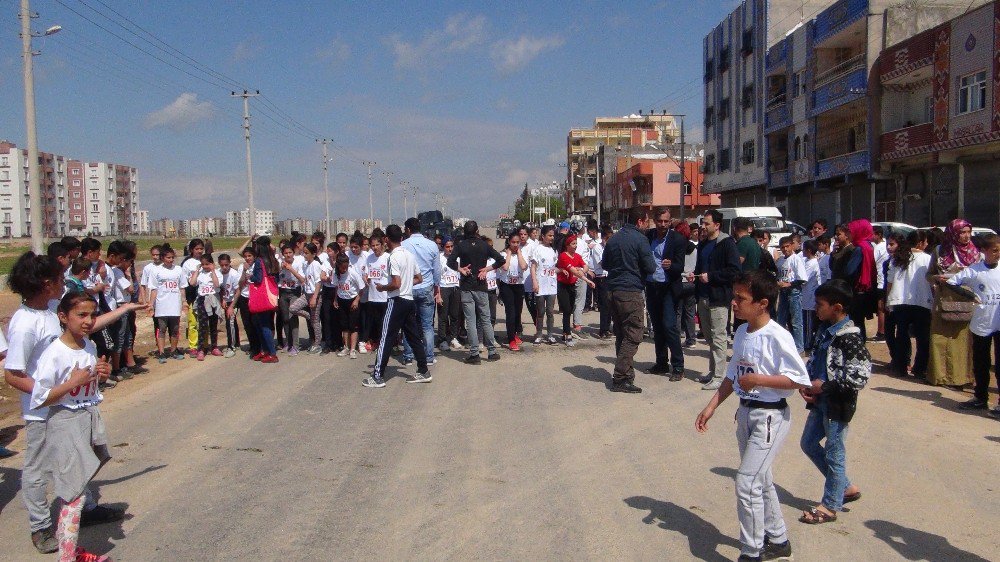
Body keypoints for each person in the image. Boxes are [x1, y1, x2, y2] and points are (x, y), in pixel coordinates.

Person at [4, 252, 131, 554]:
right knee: (37, 469)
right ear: (47, 284)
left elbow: (86, 325)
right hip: (43, 411)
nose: (64, 283)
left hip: (70, 407)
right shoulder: (24, 324)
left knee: (82, 459)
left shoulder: (51, 309)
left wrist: (125, 308)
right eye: (60, 279)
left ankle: (82, 509)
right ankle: (40, 527)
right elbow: (12, 375)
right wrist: (58, 391)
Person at [695, 270, 810, 562]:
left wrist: (760, 380)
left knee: (747, 483)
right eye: (734, 296)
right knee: (761, 480)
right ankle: (779, 539)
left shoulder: (778, 336)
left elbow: (799, 379)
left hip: (770, 419)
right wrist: (711, 406)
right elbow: (733, 374)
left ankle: (752, 550)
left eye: (740, 298)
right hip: (746, 416)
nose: (734, 303)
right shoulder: (744, 331)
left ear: (762, 303)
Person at [30, 292, 116, 562]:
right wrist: (72, 383)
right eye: (81, 315)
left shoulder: (88, 345)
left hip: (88, 418)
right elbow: (40, 399)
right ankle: (67, 557)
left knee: (80, 485)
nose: (89, 321)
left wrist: (101, 374)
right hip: (65, 424)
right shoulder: (54, 353)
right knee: (73, 495)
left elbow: (89, 387)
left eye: (92, 314)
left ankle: (71, 550)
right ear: (63, 317)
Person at [798, 280, 871, 525]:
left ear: (837, 307)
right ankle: (846, 487)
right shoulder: (824, 330)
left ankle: (830, 505)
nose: (815, 308)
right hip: (820, 403)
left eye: (820, 305)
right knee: (808, 443)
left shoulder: (850, 338)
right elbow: (816, 360)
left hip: (837, 406)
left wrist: (825, 386)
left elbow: (859, 376)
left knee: (835, 452)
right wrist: (807, 384)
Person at [364, 224, 431, 387]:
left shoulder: (393, 257)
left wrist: (382, 287)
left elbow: (396, 283)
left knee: (386, 337)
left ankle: (377, 375)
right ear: (401, 238)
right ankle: (423, 370)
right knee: (414, 337)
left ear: (386, 239)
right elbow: (419, 278)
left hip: (396, 300)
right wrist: (406, 284)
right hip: (408, 300)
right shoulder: (409, 255)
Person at [942, 232, 1000, 416]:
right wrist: (970, 296)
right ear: (984, 251)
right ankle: (980, 398)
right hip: (982, 323)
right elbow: (951, 281)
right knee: (981, 362)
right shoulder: (974, 270)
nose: (998, 253)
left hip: (999, 322)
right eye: (995, 250)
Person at [603, 207, 658, 393]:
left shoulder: (614, 238)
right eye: (647, 221)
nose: (647, 225)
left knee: (622, 334)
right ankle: (620, 376)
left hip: (612, 290)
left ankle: (626, 375)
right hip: (630, 291)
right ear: (640, 222)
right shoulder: (640, 239)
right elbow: (650, 267)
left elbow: (605, 264)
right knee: (634, 334)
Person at [927, 219, 982, 387]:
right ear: (952, 233)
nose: (966, 236)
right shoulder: (939, 251)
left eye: (968, 232)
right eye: (961, 232)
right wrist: (938, 278)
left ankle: (962, 378)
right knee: (940, 339)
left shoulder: (977, 253)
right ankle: (940, 376)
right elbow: (929, 275)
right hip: (943, 299)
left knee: (963, 341)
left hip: (966, 300)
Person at [694, 209, 742, 390]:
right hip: (704, 296)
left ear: (717, 225)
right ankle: (713, 371)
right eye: (703, 223)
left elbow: (735, 271)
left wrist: (712, 277)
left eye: (707, 223)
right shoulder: (704, 243)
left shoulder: (727, 244)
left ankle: (720, 376)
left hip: (719, 298)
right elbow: (701, 267)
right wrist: (696, 275)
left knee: (719, 337)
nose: (703, 227)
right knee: (709, 337)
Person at [449, 221, 505, 363]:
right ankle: (492, 352)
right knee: (486, 319)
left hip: (467, 286)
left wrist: (460, 269)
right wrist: (487, 269)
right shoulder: (484, 245)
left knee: (471, 321)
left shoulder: (461, 246)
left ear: (464, 232)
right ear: (477, 231)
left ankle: (474, 354)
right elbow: (501, 260)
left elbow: (450, 262)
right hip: (481, 286)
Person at [645, 208, 687, 379]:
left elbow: (680, 267)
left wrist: (672, 266)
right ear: (655, 220)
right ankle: (661, 362)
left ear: (670, 222)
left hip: (668, 287)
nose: (663, 224)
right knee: (657, 326)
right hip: (652, 285)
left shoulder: (677, 239)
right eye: (660, 221)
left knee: (669, 326)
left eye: (666, 221)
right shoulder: (648, 236)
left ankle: (678, 366)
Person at [885, 232, 932, 379]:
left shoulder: (897, 258)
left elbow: (890, 282)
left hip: (900, 301)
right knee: (922, 337)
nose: (927, 245)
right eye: (925, 242)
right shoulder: (928, 259)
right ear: (920, 243)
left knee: (902, 335)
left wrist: (888, 300)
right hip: (922, 302)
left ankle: (901, 366)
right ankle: (920, 368)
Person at [401, 218, 441, 366]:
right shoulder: (431, 245)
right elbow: (436, 270)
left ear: (408, 230)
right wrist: (437, 286)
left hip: (408, 288)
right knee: (427, 325)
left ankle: (408, 355)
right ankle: (429, 356)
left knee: (407, 324)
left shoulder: (403, 246)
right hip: (426, 287)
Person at [149, 245, 189, 364]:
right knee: (161, 329)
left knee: (175, 329)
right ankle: (161, 352)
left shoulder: (178, 270)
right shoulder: (156, 271)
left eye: (172, 258)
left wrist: (184, 301)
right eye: (168, 257)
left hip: (174, 304)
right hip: (161, 305)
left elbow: (182, 287)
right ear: (162, 258)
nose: (171, 260)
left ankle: (173, 350)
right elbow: (154, 289)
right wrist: (151, 304)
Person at [556, 235, 596, 347]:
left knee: (570, 309)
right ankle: (567, 334)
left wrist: (582, 270)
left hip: (572, 285)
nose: (575, 246)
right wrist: (587, 279)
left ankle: (565, 333)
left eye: (576, 244)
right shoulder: (563, 256)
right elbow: (574, 271)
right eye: (573, 244)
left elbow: (585, 266)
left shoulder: (577, 256)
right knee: (567, 310)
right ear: (567, 245)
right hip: (563, 285)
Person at [247, 237, 280, 364]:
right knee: (266, 323)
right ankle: (266, 350)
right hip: (271, 295)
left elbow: (258, 279)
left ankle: (271, 353)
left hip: (262, 297)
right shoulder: (273, 260)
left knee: (264, 325)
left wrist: (250, 276)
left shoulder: (259, 261)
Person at [188, 253, 222, 361]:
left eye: (207, 264)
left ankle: (214, 346)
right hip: (202, 300)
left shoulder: (217, 273)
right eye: (202, 264)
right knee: (202, 325)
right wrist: (197, 271)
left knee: (213, 324)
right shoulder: (200, 273)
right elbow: (192, 283)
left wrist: (212, 271)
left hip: (213, 299)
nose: (205, 266)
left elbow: (217, 285)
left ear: (212, 263)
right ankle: (201, 349)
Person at [776, 236, 807, 353]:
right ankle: (782, 345)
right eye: (782, 247)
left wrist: (789, 284)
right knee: (781, 320)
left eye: (787, 246)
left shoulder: (796, 259)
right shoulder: (780, 260)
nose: (785, 249)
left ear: (791, 246)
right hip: (783, 292)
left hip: (793, 292)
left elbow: (802, 279)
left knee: (796, 321)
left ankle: (799, 347)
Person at [360, 235, 390, 356]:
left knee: (386, 323)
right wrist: (365, 277)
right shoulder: (369, 258)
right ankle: (378, 343)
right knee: (377, 323)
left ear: (382, 245)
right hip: (373, 296)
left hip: (386, 296)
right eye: (372, 245)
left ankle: (390, 344)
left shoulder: (388, 257)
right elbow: (365, 273)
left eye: (377, 245)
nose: (375, 247)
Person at [530, 225, 560, 345]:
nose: (552, 238)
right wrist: (535, 282)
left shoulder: (554, 250)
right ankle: (539, 335)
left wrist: (563, 270)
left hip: (551, 286)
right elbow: (533, 267)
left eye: (553, 235)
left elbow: (555, 268)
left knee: (550, 312)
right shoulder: (537, 249)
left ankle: (550, 335)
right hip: (541, 286)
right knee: (540, 311)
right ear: (543, 236)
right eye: (549, 235)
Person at [332, 253, 365, 359]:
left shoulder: (352, 273)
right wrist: (335, 299)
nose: (344, 269)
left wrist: (356, 301)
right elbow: (336, 286)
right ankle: (346, 347)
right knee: (344, 326)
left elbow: (362, 288)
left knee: (353, 326)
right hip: (342, 300)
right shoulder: (335, 273)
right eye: (342, 267)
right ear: (338, 265)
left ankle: (353, 349)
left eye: (346, 267)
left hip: (353, 301)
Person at [498, 232, 528, 350]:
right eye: (513, 242)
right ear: (509, 242)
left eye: (517, 242)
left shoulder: (522, 253)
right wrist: (509, 254)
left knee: (517, 312)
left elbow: (524, 266)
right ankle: (511, 339)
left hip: (518, 286)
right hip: (507, 286)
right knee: (510, 313)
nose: (515, 244)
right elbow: (505, 267)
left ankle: (515, 334)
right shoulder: (502, 254)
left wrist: (519, 253)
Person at [277, 244, 306, 355]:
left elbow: (302, 279)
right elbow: (275, 278)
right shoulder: (280, 264)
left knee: (292, 317)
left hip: (295, 292)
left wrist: (291, 269)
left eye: (290, 253)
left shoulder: (298, 263)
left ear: (293, 253)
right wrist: (281, 268)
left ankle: (295, 345)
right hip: (283, 292)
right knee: (285, 318)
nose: (288, 255)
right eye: (286, 253)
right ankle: (288, 343)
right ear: (282, 254)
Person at [437, 237, 464, 351]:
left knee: (455, 315)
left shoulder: (457, 258)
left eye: (452, 246)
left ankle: (453, 337)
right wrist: (437, 293)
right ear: (443, 247)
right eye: (447, 247)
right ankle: (442, 339)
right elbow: (436, 277)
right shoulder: (439, 258)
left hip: (455, 288)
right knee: (443, 315)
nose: (450, 249)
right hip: (444, 288)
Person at [181, 238, 205, 355]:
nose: (199, 251)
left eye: (201, 248)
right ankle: (193, 346)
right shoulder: (187, 263)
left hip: (205, 295)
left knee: (204, 321)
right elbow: (183, 282)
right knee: (193, 322)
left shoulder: (206, 260)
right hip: (192, 296)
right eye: (197, 249)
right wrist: (184, 299)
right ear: (191, 250)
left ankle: (204, 344)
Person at [236, 247, 261, 358]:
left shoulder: (258, 265)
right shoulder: (242, 266)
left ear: (254, 256)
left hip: (256, 297)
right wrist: (244, 271)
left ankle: (259, 346)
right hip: (244, 297)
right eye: (245, 256)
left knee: (256, 322)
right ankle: (253, 346)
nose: (247, 258)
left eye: (249, 256)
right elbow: (240, 283)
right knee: (247, 323)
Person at [217, 253, 242, 358]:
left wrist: (232, 306)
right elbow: (219, 288)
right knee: (232, 322)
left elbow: (237, 291)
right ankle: (236, 343)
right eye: (222, 265)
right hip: (225, 300)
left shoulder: (233, 274)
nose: (224, 267)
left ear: (229, 263)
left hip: (233, 300)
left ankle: (231, 346)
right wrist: (222, 299)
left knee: (230, 322)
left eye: (226, 265)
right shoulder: (218, 273)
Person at [590, 224, 612, 339]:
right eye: (607, 238)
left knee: (610, 304)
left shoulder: (610, 247)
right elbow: (602, 263)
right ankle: (603, 330)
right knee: (604, 305)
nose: (608, 241)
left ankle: (608, 328)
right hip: (601, 277)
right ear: (603, 238)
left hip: (610, 276)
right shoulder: (597, 248)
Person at [800, 240, 822, 351]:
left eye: (803, 249)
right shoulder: (806, 261)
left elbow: (803, 279)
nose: (802, 251)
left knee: (808, 323)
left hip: (809, 299)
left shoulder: (813, 263)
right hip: (805, 298)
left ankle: (808, 343)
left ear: (808, 250)